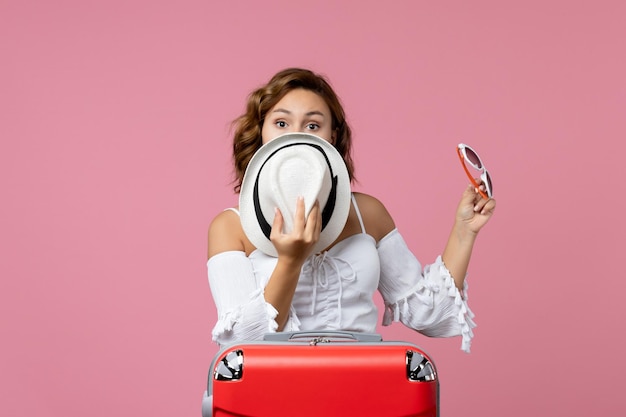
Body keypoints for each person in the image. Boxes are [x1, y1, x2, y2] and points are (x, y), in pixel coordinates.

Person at [207, 68, 496, 352]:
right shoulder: (230, 227)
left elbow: (428, 315)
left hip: (362, 388)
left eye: (312, 125)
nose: (297, 135)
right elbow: (239, 344)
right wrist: (291, 261)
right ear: (261, 132)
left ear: (332, 135)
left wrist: (464, 231)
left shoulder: (367, 213)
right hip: (273, 392)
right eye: (281, 123)